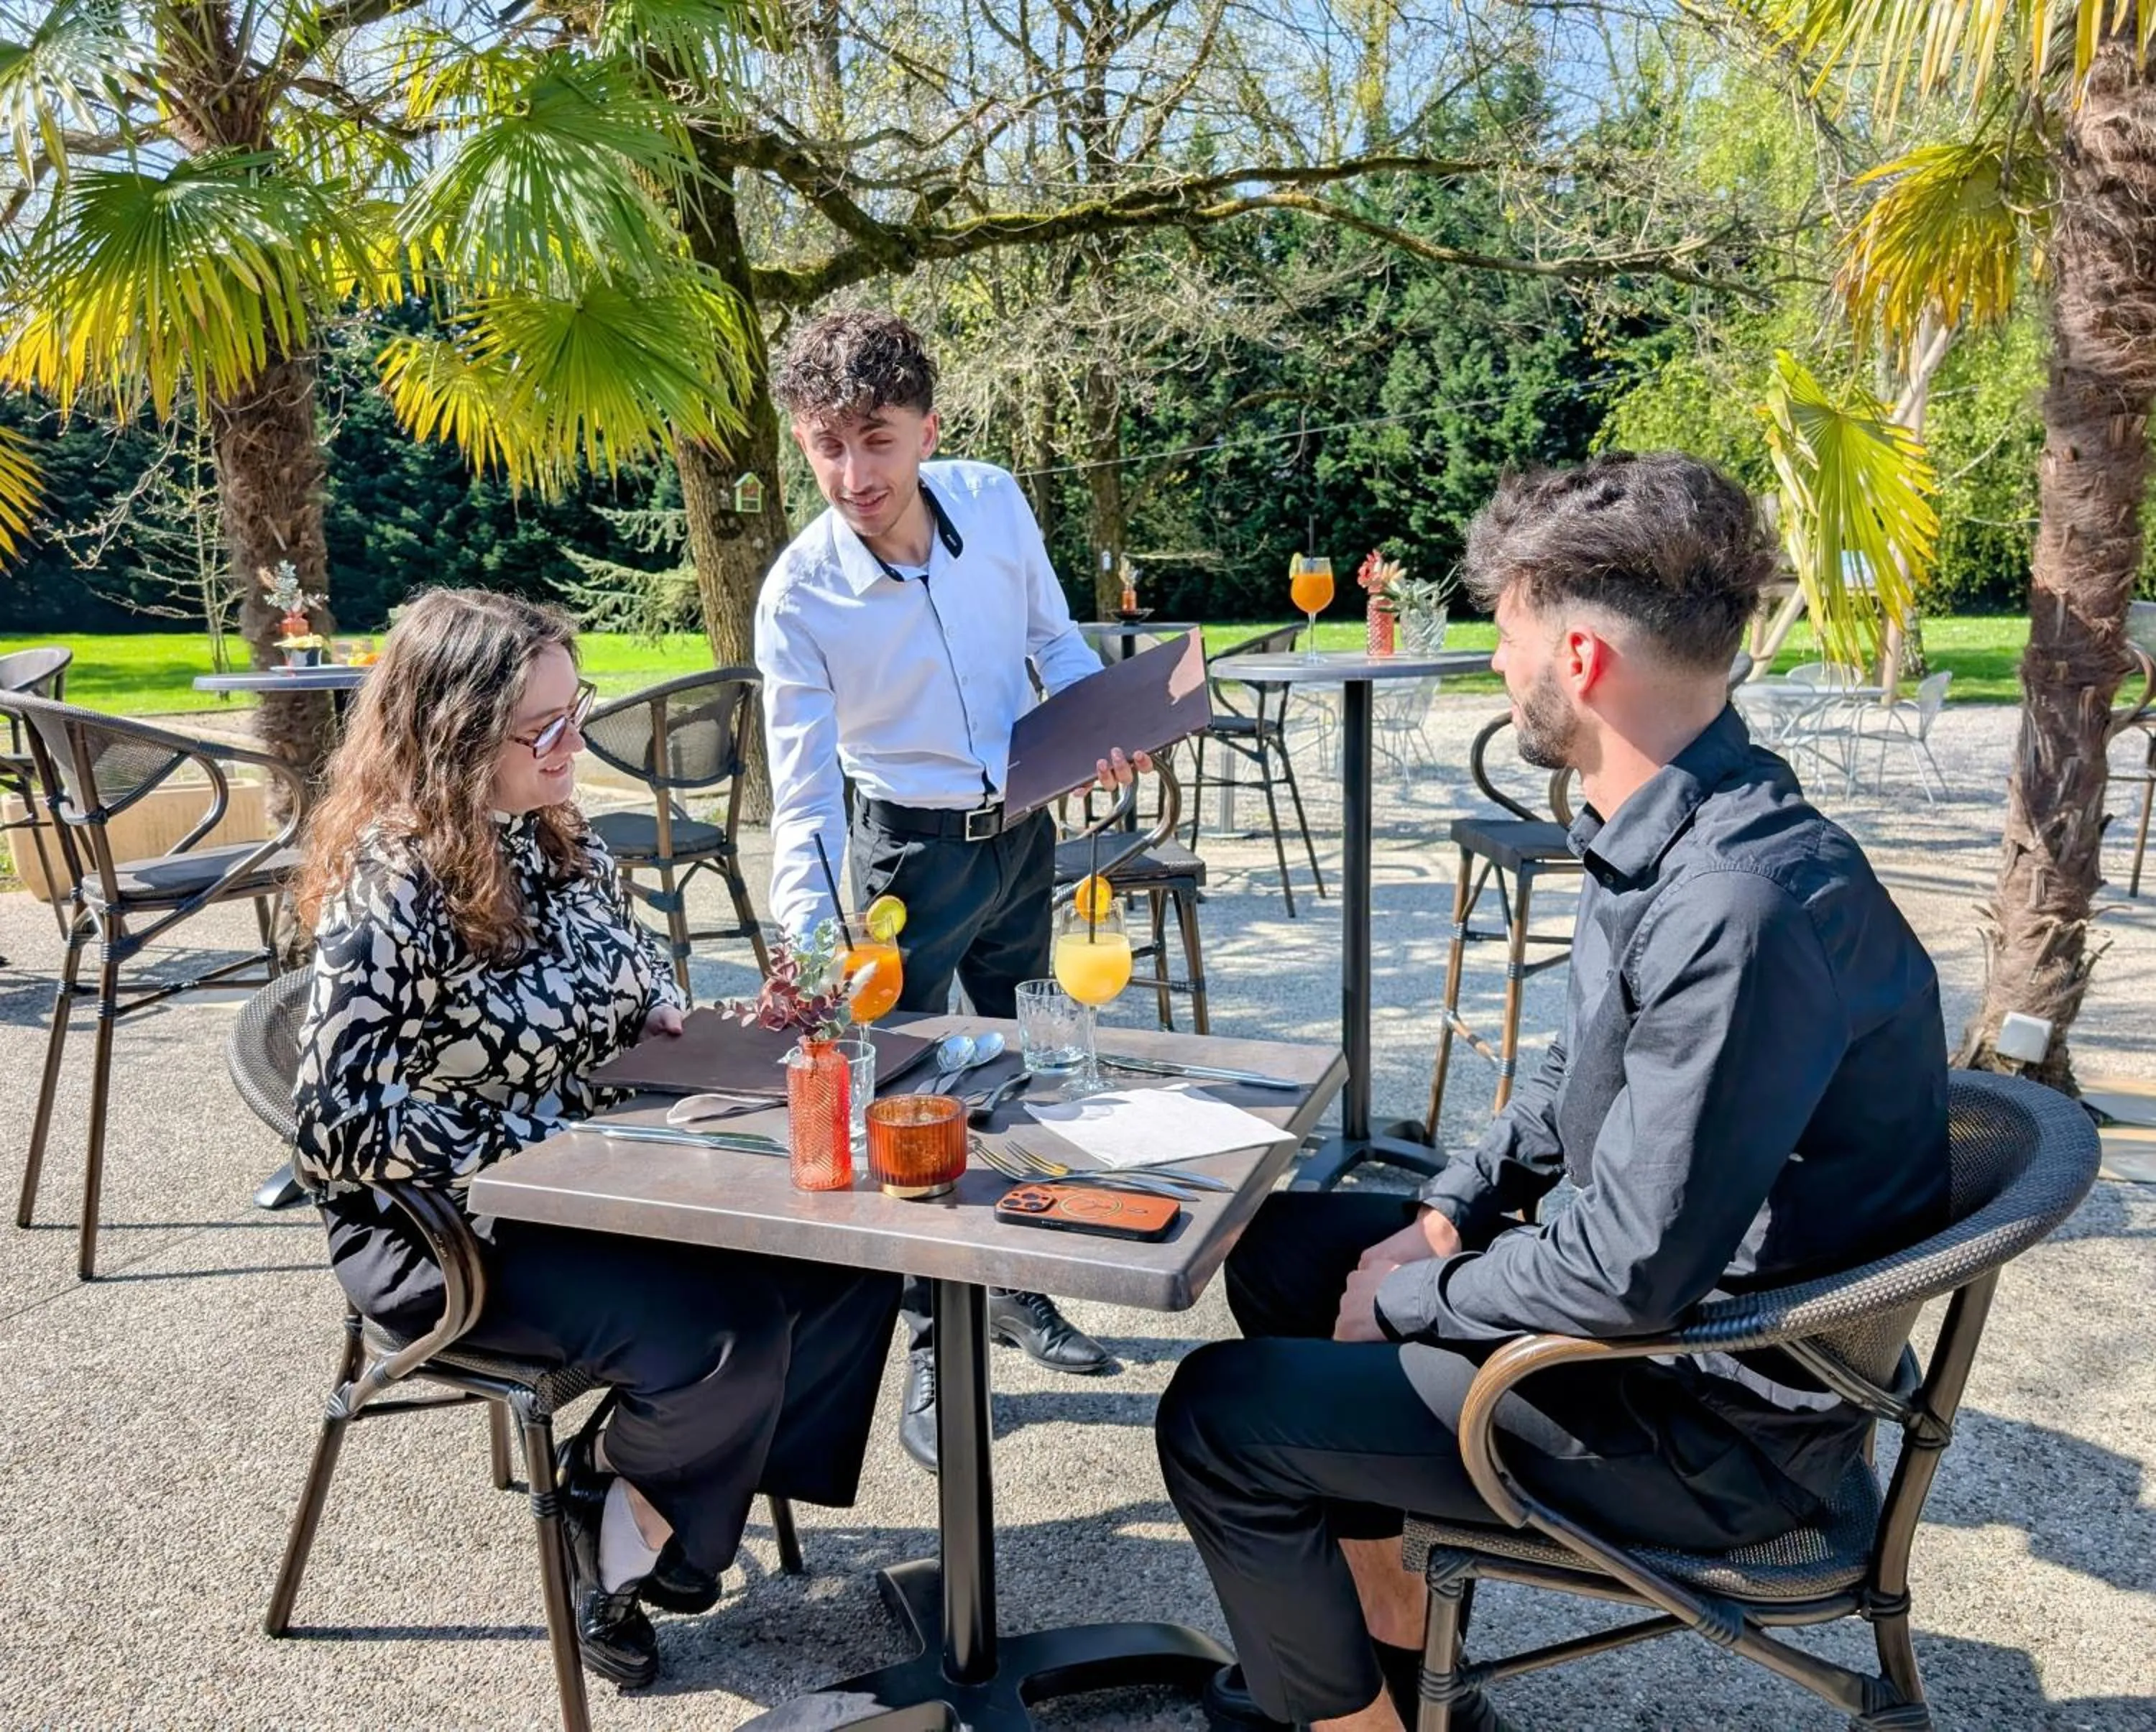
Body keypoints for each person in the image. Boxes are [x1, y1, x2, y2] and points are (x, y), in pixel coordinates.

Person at [1153, 453, 1953, 1732]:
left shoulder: (1735, 906)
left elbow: (1629, 1271)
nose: (1493, 661)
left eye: (1507, 631)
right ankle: (1398, 1654)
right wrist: (1445, 1216)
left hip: (1713, 1416)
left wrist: (1415, 1296)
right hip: (1674, 1331)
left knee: (1216, 1420)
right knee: (1284, 1253)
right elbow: (1573, 1080)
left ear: (1579, 658)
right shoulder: (1683, 820)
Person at [290, 589, 901, 1690]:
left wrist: (663, 1013)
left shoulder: (553, 831)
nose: (574, 745)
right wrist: (528, 1144)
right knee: (725, 1334)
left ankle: (649, 1508)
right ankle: (613, 1529)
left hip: (596, 1178)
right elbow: (334, 1126)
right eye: (544, 729)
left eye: (578, 713)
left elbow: (636, 961)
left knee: (849, 1259)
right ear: (455, 736)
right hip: (444, 1229)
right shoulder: (393, 885)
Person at [756, 310, 1146, 1472]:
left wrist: (1099, 724)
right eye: (826, 446)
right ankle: (936, 1345)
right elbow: (803, 798)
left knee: (1024, 1075)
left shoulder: (996, 500)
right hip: (904, 866)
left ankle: (1015, 1287)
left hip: (1023, 831)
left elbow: (1056, 645)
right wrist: (814, 958)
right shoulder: (798, 595)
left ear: (928, 429)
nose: (853, 475)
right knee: (912, 1113)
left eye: (876, 440)